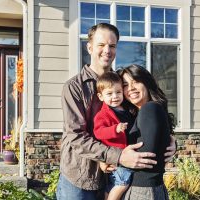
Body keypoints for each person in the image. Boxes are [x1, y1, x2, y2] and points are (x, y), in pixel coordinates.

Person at [56, 23, 176, 200]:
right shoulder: (74, 87)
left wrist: (169, 140)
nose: (107, 50)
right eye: (101, 45)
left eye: (112, 46)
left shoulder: (121, 83)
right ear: (89, 47)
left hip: (115, 177)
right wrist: (119, 156)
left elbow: (141, 121)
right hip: (80, 177)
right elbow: (76, 136)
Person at [117, 64, 174, 200]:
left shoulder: (149, 109)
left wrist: (116, 159)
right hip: (148, 189)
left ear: (147, 83)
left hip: (143, 191)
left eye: (135, 82)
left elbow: (145, 156)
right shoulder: (142, 112)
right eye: (125, 85)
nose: (130, 88)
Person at [93, 72, 134, 200]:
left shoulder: (126, 109)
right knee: (123, 183)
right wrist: (115, 129)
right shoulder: (103, 115)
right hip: (117, 156)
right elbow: (98, 132)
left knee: (113, 184)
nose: (115, 96)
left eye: (118, 92)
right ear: (100, 96)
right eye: (109, 94)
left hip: (125, 153)